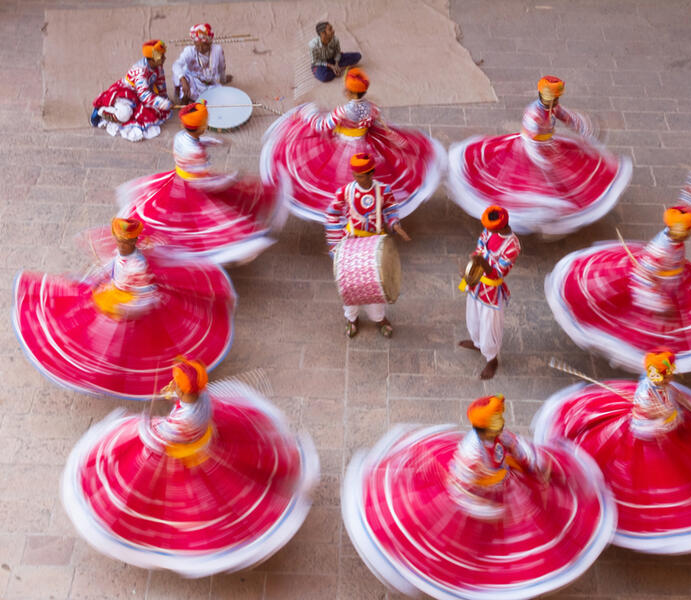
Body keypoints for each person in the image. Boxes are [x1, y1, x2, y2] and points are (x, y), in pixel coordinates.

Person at [60, 357, 319, 576]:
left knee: (167, 500)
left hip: (186, 453)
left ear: (187, 392)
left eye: (178, 387)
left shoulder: (186, 417)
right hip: (204, 438)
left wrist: (145, 427)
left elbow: (163, 437)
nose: (174, 387)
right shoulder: (202, 398)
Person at [342, 394, 616, 599]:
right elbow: (461, 491)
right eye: (496, 423)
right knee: (473, 552)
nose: (501, 426)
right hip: (477, 498)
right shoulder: (470, 455)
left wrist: (535, 464)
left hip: (503, 485)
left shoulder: (498, 435)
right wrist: (487, 509)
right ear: (484, 428)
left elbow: (515, 445)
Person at [534, 351, 691, 554]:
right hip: (645, 437)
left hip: (665, 434)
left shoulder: (663, 388)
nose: (664, 378)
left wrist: (672, 414)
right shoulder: (646, 394)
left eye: (665, 375)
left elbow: (669, 405)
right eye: (660, 375)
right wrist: (667, 419)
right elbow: (645, 420)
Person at [545, 171, 691, 373]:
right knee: (636, 332)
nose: (689, 234)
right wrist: (657, 303)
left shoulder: (673, 236)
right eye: (686, 231)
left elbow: (690, 213)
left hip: (672, 280)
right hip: (656, 290)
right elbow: (643, 279)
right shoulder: (659, 251)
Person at [13, 218, 235, 399]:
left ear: (132, 241)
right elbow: (115, 268)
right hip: (114, 295)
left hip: (128, 304)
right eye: (118, 240)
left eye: (123, 241)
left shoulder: (138, 265)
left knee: (124, 347)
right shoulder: (123, 256)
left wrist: (127, 308)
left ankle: (107, 376)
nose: (119, 244)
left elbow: (146, 296)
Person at [448, 75, 631, 236]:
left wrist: (583, 126)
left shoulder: (552, 107)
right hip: (530, 152)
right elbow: (531, 143)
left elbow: (566, 116)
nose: (553, 103)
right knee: (530, 188)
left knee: (563, 180)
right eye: (550, 99)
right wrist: (543, 163)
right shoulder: (533, 115)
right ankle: (533, 222)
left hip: (548, 148)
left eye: (554, 99)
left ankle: (546, 220)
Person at [261, 67, 445, 221]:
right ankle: (364, 213)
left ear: (348, 92)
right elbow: (373, 121)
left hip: (345, 146)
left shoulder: (344, 111)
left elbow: (322, 126)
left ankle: (350, 218)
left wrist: (308, 112)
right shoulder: (371, 107)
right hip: (366, 144)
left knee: (336, 181)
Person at [116, 101, 286, 266]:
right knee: (207, 221)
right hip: (192, 187)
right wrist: (229, 179)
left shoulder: (180, 137)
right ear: (201, 127)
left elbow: (196, 141)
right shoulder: (195, 153)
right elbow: (203, 181)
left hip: (178, 179)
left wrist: (215, 142)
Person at [326, 152, 410, 338]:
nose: (357, 179)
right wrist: (335, 245)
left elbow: (390, 209)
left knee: (376, 284)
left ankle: (379, 318)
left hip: (375, 244)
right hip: (352, 243)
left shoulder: (384, 190)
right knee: (349, 285)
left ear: (371, 174)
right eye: (355, 176)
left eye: (361, 176)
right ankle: (352, 318)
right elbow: (331, 213)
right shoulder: (345, 191)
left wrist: (394, 223)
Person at [458, 205, 520, 380]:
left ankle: (492, 359)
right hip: (476, 283)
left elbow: (498, 272)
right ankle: (478, 343)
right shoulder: (488, 230)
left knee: (490, 326)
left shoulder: (512, 246)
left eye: (491, 229)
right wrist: (469, 270)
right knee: (473, 316)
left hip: (491, 291)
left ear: (502, 226)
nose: (487, 231)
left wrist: (481, 262)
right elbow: (479, 249)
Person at [90, 40, 173, 142]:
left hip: (138, 94)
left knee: (157, 109)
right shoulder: (140, 71)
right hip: (125, 94)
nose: (165, 58)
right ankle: (101, 112)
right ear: (152, 59)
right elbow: (144, 95)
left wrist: (164, 98)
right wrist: (163, 103)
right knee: (125, 115)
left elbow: (161, 84)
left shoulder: (158, 67)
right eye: (162, 56)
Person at [172, 23, 232, 102]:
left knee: (221, 96)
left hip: (210, 83)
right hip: (193, 80)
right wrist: (183, 80)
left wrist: (223, 79)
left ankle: (195, 98)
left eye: (204, 46)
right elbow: (176, 65)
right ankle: (182, 95)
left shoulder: (217, 50)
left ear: (209, 42)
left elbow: (222, 67)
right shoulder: (189, 51)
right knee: (184, 84)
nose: (200, 49)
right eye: (197, 46)